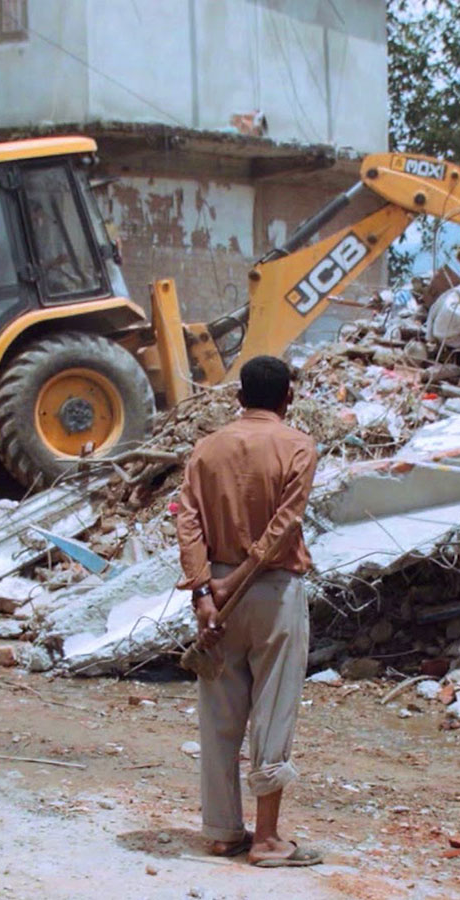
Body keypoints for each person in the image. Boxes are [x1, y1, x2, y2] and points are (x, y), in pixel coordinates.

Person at [174, 355, 323, 868]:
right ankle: (266, 840)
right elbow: (284, 526)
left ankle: (220, 832)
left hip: (217, 600)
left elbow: (186, 522)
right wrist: (233, 582)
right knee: (273, 713)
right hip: (274, 593)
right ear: (288, 398)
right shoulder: (298, 446)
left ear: (239, 398)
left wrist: (203, 593)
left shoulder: (205, 449)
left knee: (218, 717)